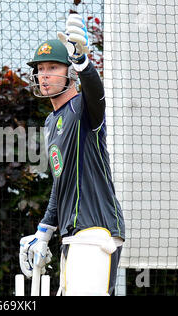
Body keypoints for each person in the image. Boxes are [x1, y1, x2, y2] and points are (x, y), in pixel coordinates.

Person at [19, 14, 125, 296]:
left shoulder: (82, 108)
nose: (44, 74)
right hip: (71, 235)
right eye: (40, 68)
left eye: (53, 67)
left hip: (94, 230)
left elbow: (97, 95)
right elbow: (61, 181)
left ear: (70, 72)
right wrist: (44, 231)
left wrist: (83, 62)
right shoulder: (51, 122)